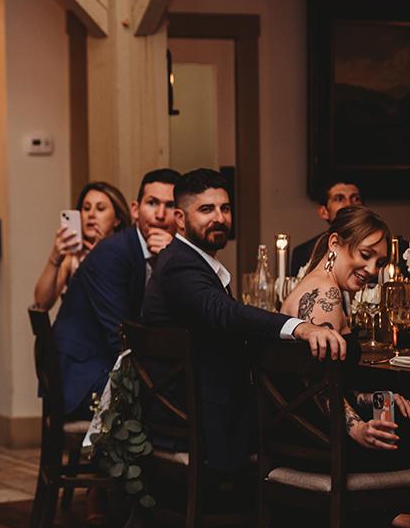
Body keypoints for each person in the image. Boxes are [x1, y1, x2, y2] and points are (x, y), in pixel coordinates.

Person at [142, 168, 347, 474]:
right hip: (201, 416)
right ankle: (306, 506)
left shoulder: (191, 260)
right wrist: (299, 326)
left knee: (308, 407)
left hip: (202, 403)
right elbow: (223, 312)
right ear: (180, 219)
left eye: (225, 208)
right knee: (313, 419)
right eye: (206, 209)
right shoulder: (180, 265)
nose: (220, 218)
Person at [280, 206, 410, 473]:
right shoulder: (325, 294)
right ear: (335, 243)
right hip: (321, 442)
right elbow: (319, 386)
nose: (373, 270)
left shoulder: (312, 285)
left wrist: (375, 398)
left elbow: (330, 382)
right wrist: (358, 429)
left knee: (397, 409)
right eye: (366, 255)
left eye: (381, 262)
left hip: (304, 431)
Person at [52, 168, 180, 420]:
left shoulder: (172, 252)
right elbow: (119, 335)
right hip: (84, 374)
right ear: (135, 210)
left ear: (180, 216)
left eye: (170, 206)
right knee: (178, 397)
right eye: (152, 203)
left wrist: (172, 256)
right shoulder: (113, 252)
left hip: (114, 361)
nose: (160, 215)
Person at [32, 181, 130, 311]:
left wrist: (101, 255)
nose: (91, 215)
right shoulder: (72, 257)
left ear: (117, 220)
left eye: (100, 209)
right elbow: (41, 303)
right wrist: (54, 259)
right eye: (86, 208)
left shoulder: (127, 253)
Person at [289, 176, 362, 276]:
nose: (349, 204)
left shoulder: (378, 247)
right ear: (324, 212)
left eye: (355, 198)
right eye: (339, 199)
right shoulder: (303, 253)